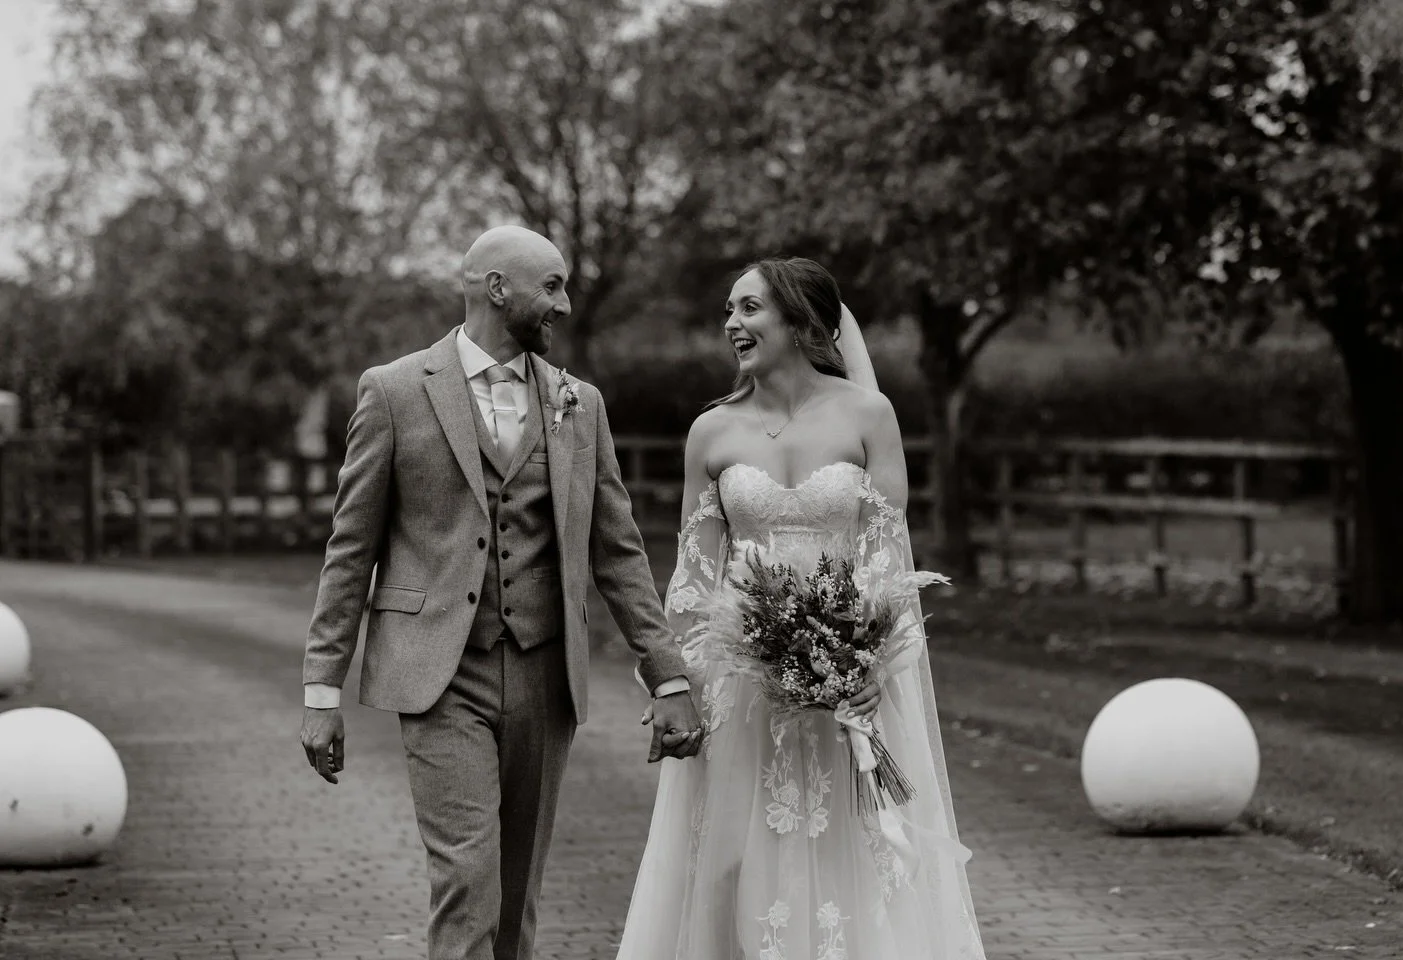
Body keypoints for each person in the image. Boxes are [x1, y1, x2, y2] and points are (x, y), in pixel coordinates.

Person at [298, 225, 704, 960]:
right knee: (468, 882)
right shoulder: (392, 392)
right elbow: (350, 550)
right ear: (497, 289)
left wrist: (666, 670)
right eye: (551, 286)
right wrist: (322, 691)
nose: (566, 303)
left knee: (517, 895)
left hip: (547, 675)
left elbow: (617, 550)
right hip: (440, 675)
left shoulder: (582, 404)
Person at [616, 258, 987, 959]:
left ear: (800, 320)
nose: (732, 323)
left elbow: (888, 560)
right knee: (729, 856)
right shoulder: (712, 433)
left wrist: (865, 659)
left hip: (851, 688)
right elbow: (694, 578)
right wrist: (673, 677)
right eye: (729, 309)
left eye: (749, 308)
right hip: (740, 685)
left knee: (857, 854)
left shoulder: (868, 416)